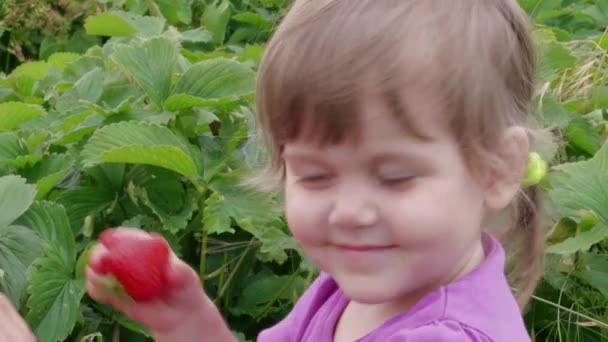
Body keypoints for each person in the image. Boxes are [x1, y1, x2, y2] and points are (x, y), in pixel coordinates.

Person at [0, 0, 547, 341]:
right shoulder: (354, 293)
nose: (349, 212)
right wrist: (186, 320)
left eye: (396, 177)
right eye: (314, 175)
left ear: (496, 170)